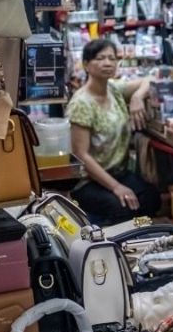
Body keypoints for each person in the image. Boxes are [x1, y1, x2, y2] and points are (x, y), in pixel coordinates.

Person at [68, 38, 161, 225]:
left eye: (112, 58)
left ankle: (134, 238)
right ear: (86, 65)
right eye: (100, 58)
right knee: (121, 207)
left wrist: (136, 97)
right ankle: (107, 244)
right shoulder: (81, 103)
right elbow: (81, 155)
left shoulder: (113, 89)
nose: (108, 63)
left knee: (152, 198)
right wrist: (116, 187)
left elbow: (150, 79)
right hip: (89, 181)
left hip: (118, 172)